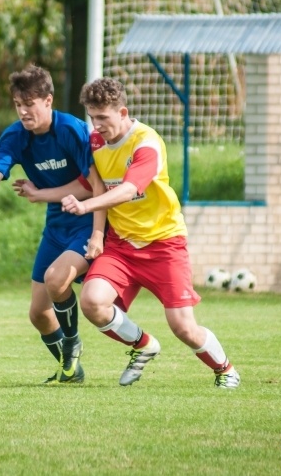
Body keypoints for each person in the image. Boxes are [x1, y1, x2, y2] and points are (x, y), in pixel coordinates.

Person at [62, 77, 240, 388]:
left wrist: (86, 207)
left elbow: (129, 189)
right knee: (92, 301)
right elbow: (98, 185)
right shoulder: (95, 141)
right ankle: (143, 345)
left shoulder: (146, 142)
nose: (97, 124)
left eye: (103, 117)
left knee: (183, 327)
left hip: (164, 243)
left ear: (123, 111)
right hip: (121, 245)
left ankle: (226, 369)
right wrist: (96, 234)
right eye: (92, 117)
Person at [0, 65, 98, 384]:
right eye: (18, 104)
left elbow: (91, 186)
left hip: (86, 220)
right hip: (56, 225)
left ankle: (72, 346)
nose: (24, 111)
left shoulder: (72, 130)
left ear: (48, 101)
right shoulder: (15, 136)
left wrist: (41, 193)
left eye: (29, 103)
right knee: (39, 313)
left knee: (56, 280)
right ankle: (71, 371)